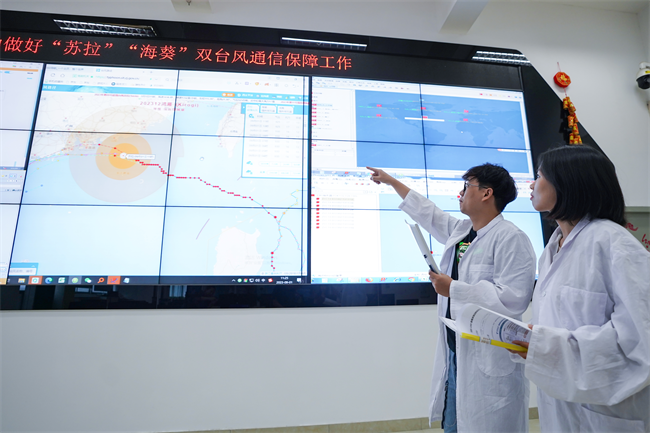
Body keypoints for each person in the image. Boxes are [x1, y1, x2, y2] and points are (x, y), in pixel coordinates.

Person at [368, 163, 536, 433]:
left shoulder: (511, 238)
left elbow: (513, 299)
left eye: (467, 186)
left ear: (486, 193)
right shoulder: (462, 232)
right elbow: (429, 214)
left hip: (488, 359)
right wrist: (392, 182)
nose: (460, 193)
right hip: (456, 352)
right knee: (454, 424)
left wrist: (454, 289)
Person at [510, 145, 650, 432]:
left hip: (604, 412)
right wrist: (533, 339)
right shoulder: (552, 248)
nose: (532, 185)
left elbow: (640, 338)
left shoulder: (613, 243)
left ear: (568, 182)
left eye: (539, 176)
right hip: (559, 400)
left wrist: (550, 345)